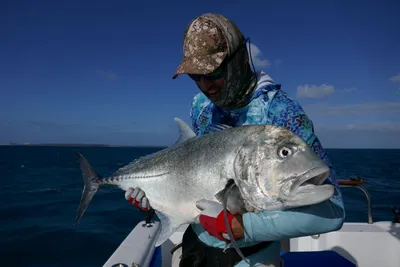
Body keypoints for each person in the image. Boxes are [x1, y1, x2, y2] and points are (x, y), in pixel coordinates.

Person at [125, 13, 345, 267]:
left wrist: (241, 227)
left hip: (251, 258)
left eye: (214, 72)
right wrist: (157, 199)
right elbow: (191, 173)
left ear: (239, 59)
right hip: (195, 249)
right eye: (196, 77)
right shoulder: (201, 106)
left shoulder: (281, 113)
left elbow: (332, 212)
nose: (206, 86)